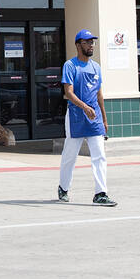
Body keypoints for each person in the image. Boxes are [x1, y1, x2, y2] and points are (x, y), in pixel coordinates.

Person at [57, 29, 115, 206]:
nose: (91, 45)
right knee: (70, 155)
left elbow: (99, 95)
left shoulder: (96, 67)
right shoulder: (70, 65)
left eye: (92, 42)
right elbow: (68, 92)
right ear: (78, 44)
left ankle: (101, 193)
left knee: (99, 155)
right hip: (76, 116)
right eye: (87, 42)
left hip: (94, 117)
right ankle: (63, 188)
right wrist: (84, 107)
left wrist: (104, 119)